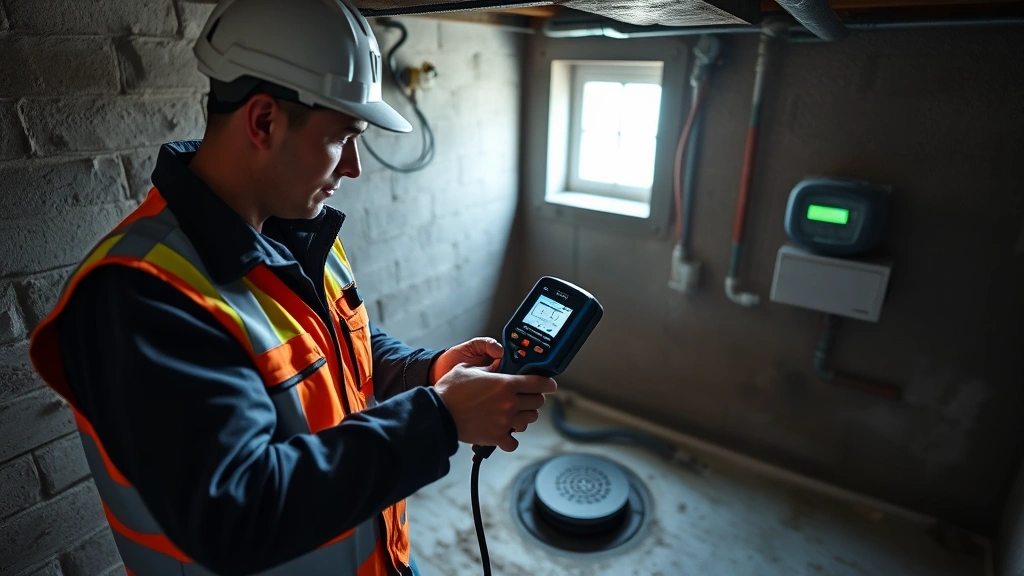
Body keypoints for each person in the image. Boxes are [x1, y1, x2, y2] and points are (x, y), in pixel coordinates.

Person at [26, 0, 557, 575]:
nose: (353, 166)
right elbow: (237, 514)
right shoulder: (140, 299)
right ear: (263, 122)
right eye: (342, 137)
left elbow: (332, 345)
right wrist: (440, 418)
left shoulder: (289, 232)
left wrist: (424, 373)